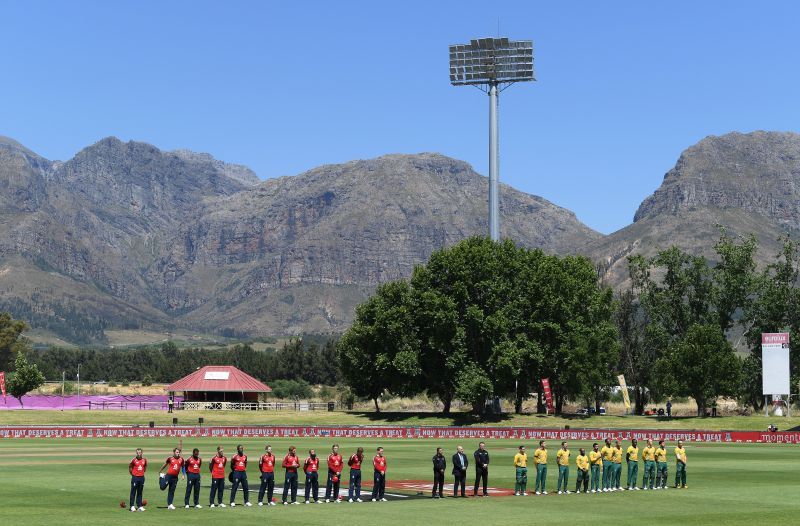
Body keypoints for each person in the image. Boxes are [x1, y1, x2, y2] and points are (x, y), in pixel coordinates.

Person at [128, 448, 147, 512]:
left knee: (140, 492)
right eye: (138, 452)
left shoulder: (144, 460)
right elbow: (130, 466)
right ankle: (132, 506)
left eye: (140, 452)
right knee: (133, 492)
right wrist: (132, 474)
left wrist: (142, 473)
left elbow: (145, 467)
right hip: (135, 477)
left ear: (142, 453)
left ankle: (139, 506)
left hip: (141, 477)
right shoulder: (134, 460)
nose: (139, 453)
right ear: (136, 453)